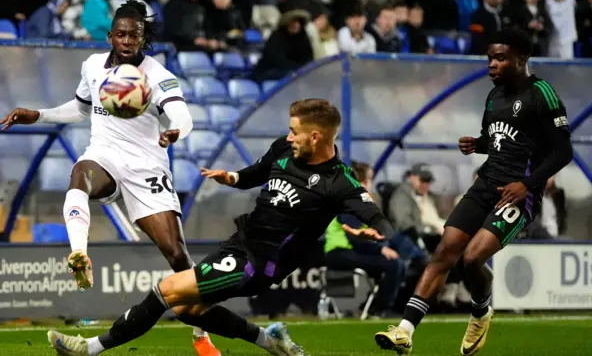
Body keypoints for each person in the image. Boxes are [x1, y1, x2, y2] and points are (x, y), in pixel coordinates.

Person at [46, 98, 395, 356]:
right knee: (186, 310)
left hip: (260, 263)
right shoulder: (284, 150)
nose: (289, 137)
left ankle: (88, 348)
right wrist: (232, 177)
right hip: (240, 244)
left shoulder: (339, 181)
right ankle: (270, 341)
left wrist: (378, 230)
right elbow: (255, 175)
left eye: (295, 131)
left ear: (317, 137)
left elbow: (371, 212)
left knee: (167, 289)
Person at [0, 1, 219, 356]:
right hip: (104, 155)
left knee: (177, 256)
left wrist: (176, 130)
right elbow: (81, 109)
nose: (128, 40)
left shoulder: (157, 74)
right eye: (122, 34)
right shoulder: (92, 66)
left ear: (143, 38)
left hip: (147, 168)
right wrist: (37, 114)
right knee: (79, 176)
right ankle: (79, 254)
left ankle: (201, 335)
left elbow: (182, 114)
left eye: (136, 35)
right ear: (110, 35)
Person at [375, 28, 573, 356]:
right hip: (484, 185)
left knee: (471, 259)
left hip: (517, 194)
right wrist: (477, 144)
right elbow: (498, 140)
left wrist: (528, 184)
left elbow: (562, 151)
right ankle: (405, 331)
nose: (491, 65)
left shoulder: (542, 93)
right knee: (444, 251)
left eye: (499, 58)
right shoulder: (493, 97)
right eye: (489, 58)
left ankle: (480, 310)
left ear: (521, 59)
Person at [324, 161, 404, 317]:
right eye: (368, 181)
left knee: (395, 264)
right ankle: (378, 309)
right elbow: (354, 238)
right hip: (340, 253)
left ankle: (370, 307)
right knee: (392, 265)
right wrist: (381, 249)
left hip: (346, 252)